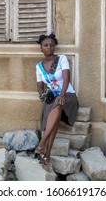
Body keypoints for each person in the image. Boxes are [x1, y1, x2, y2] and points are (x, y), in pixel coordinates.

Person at [34, 33, 79, 165]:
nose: (49, 47)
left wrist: (62, 94)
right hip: (52, 97)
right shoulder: (39, 67)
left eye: (51, 45)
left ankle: (42, 143)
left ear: (54, 47)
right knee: (54, 113)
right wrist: (43, 97)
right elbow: (40, 86)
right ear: (41, 48)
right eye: (46, 45)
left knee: (58, 104)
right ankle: (46, 155)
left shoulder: (61, 59)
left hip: (67, 95)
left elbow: (66, 78)